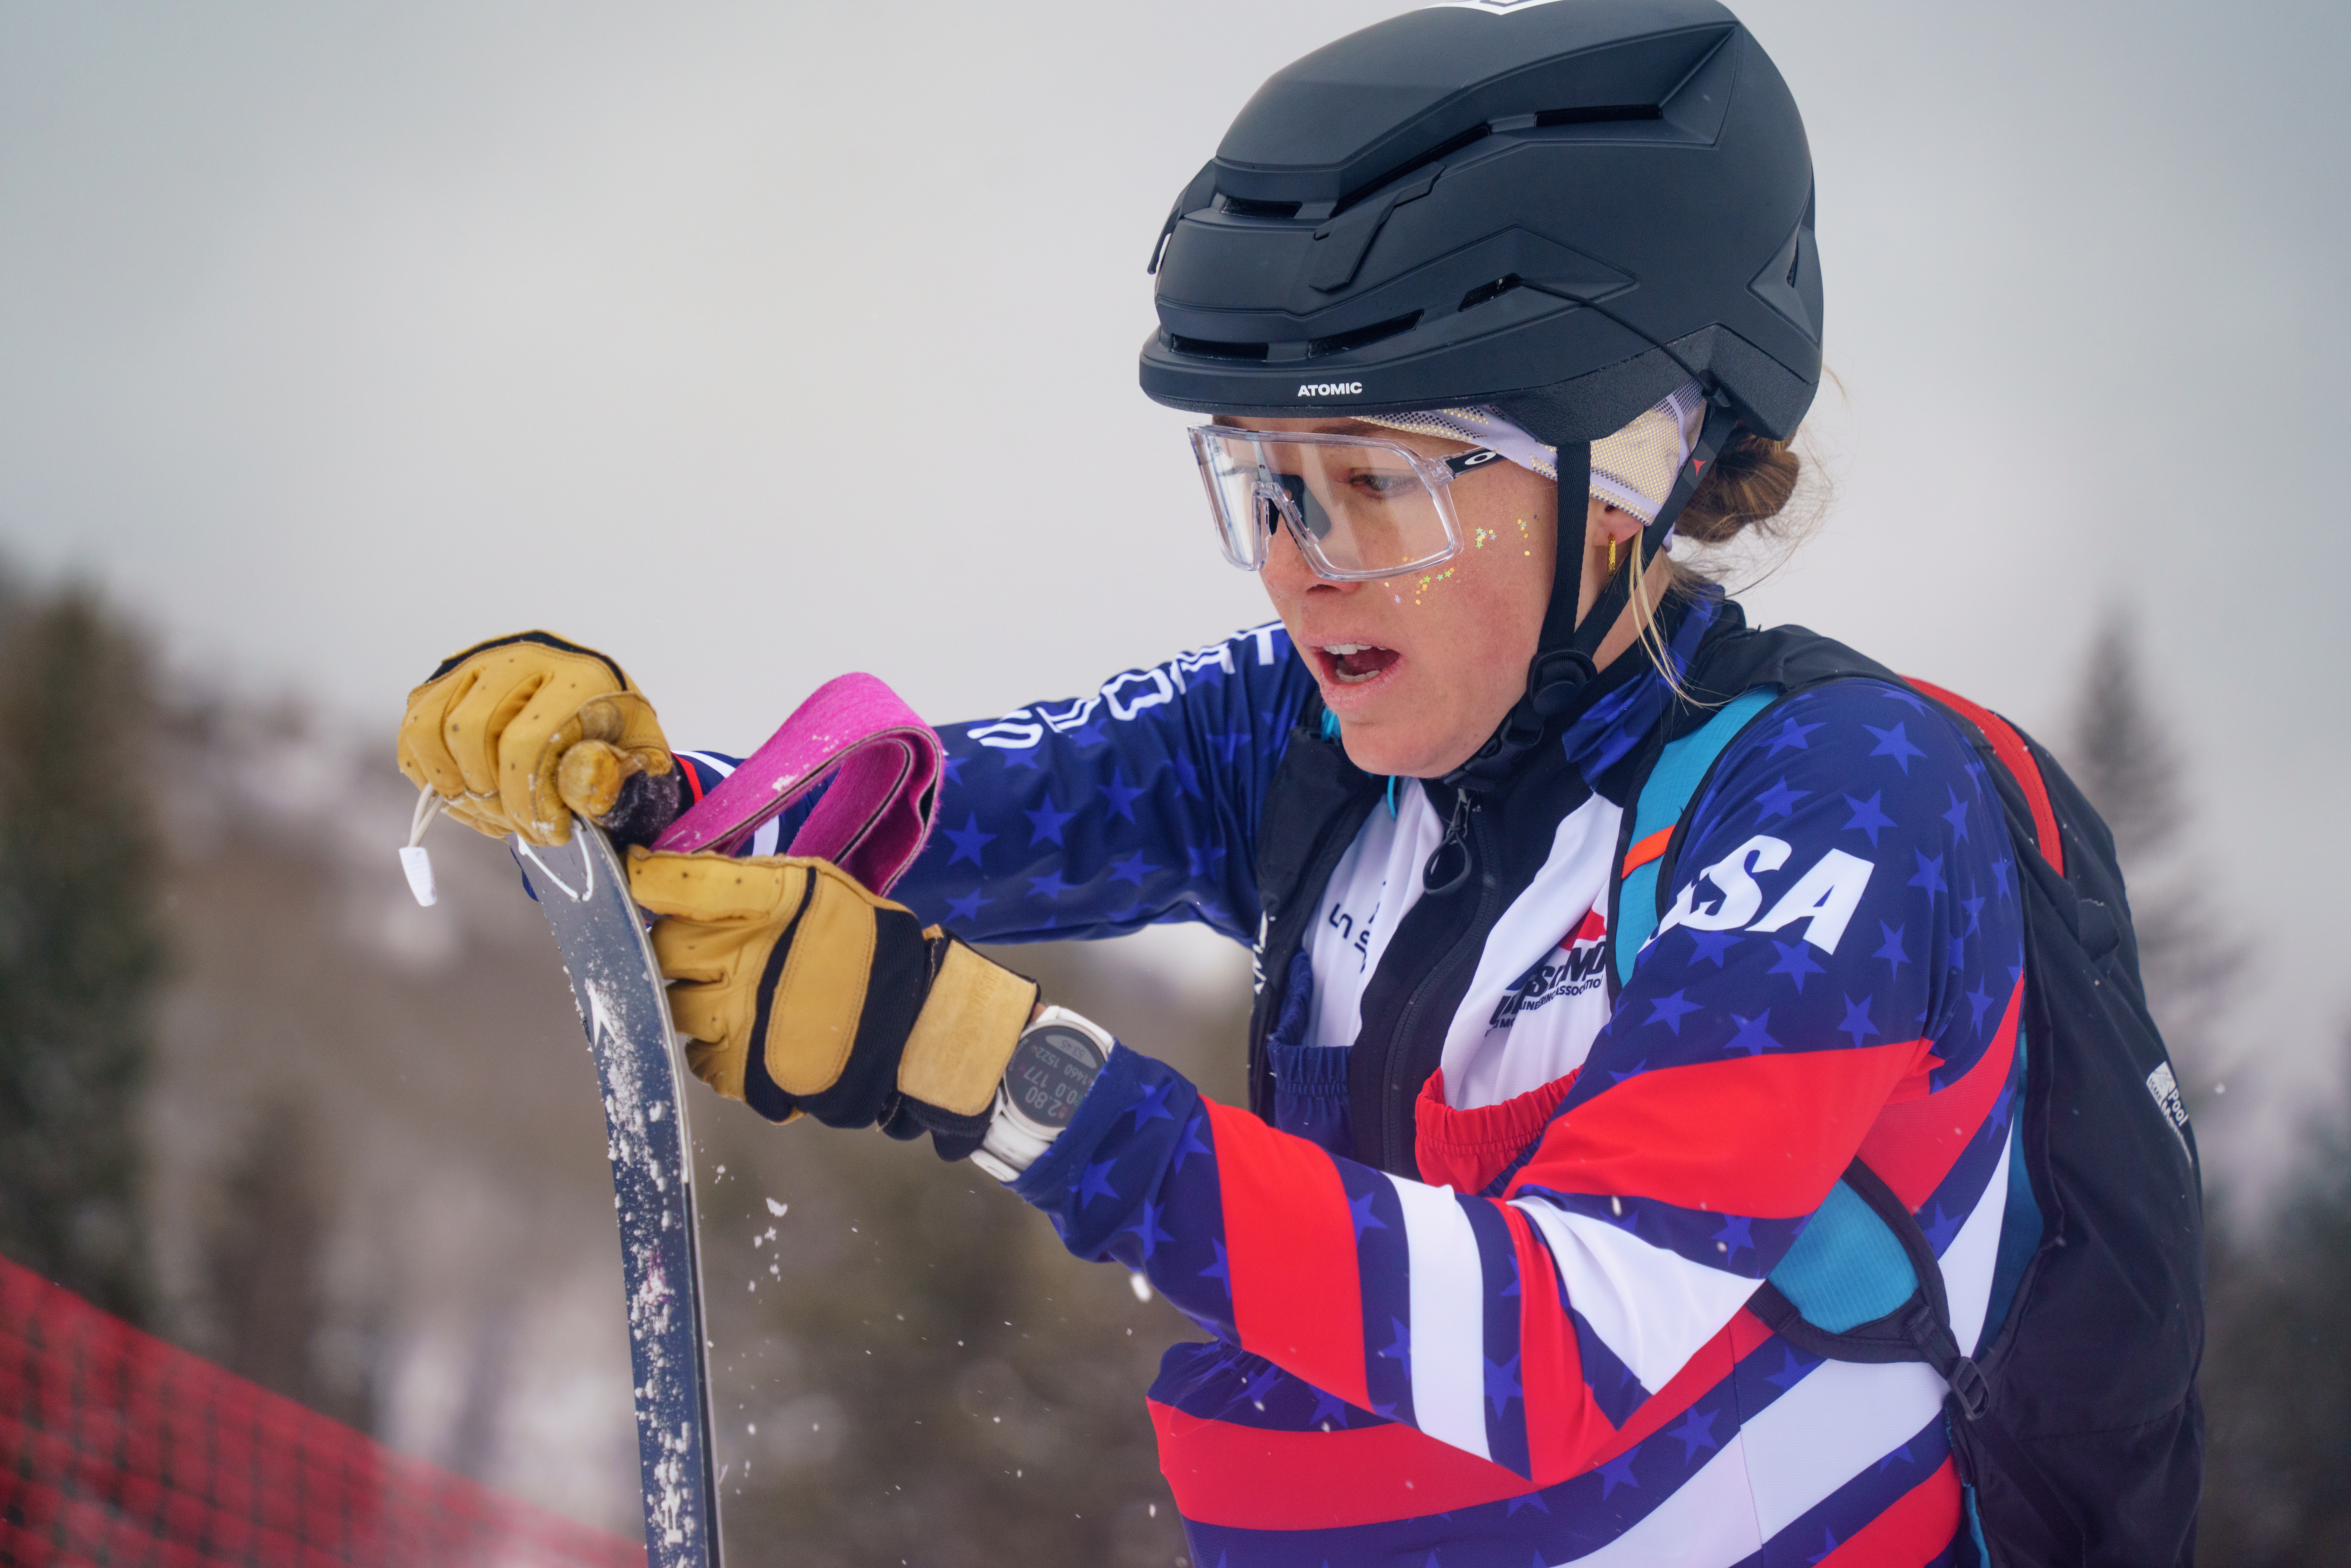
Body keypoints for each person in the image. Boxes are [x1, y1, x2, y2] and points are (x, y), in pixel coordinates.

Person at [397, 4, 2072, 1563]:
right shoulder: (1303, 740)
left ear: (1626, 462)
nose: (1301, 571)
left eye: (1381, 486)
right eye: (1263, 485)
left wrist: (989, 1070)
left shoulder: (1841, 799)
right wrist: (629, 785)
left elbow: (1574, 1342)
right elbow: (909, 820)